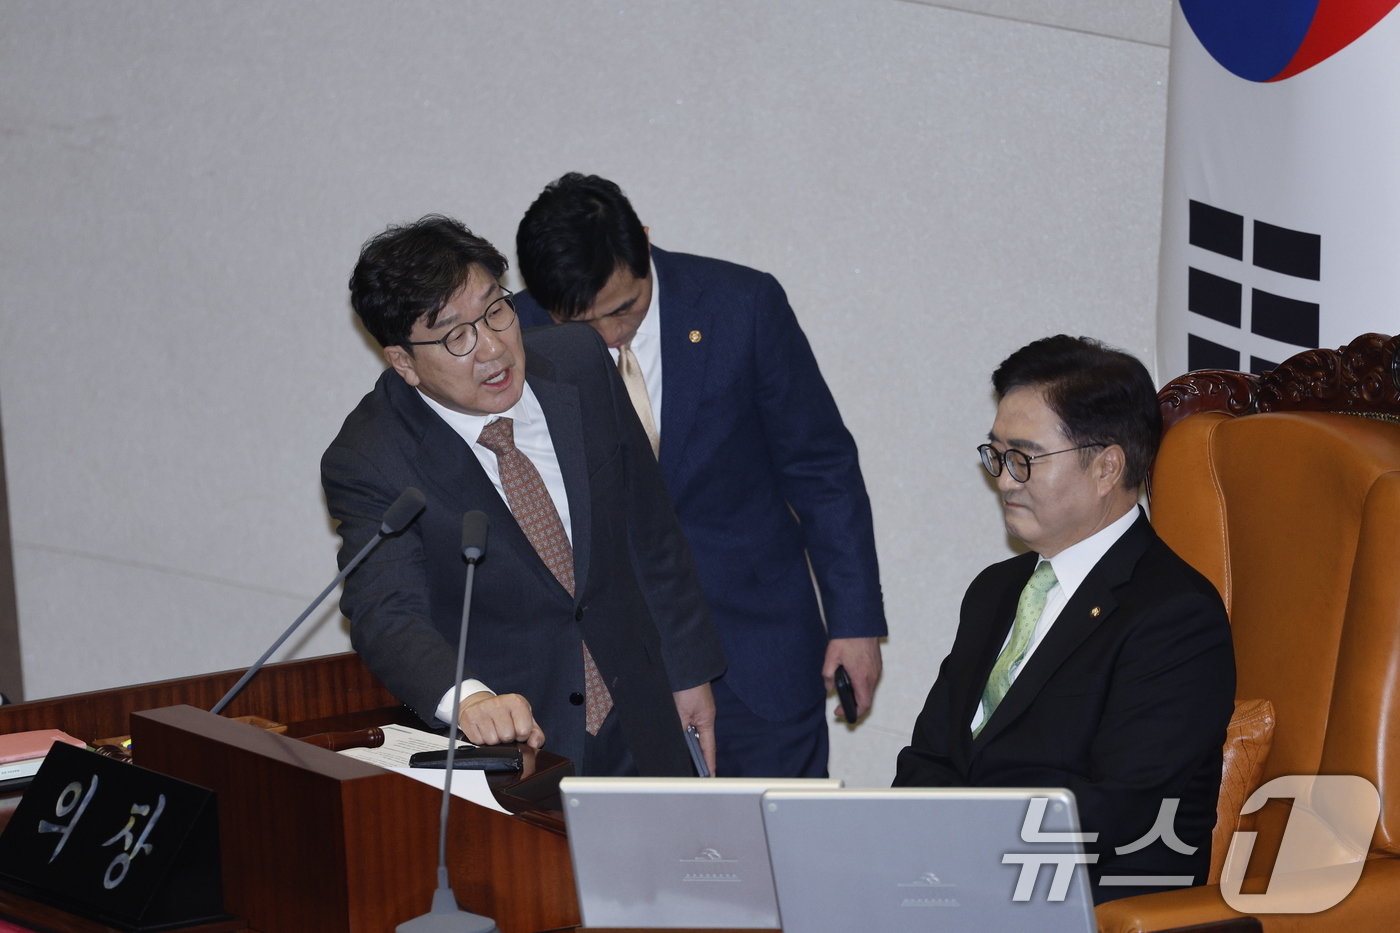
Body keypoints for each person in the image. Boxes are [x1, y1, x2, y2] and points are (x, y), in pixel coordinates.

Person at [321, 215, 724, 777]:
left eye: (495, 311)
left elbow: (648, 527)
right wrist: (467, 700)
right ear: (404, 362)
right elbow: (387, 611)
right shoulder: (372, 456)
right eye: (455, 335)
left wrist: (689, 670)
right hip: (519, 744)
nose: (492, 348)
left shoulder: (580, 361)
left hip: (643, 707)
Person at [513, 174, 886, 778]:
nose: (608, 338)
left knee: (778, 853)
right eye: (581, 327)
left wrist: (856, 621)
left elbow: (821, 467)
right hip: (605, 676)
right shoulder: (514, 335)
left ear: (645, 242)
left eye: (622, 311)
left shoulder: (742, 306)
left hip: (755, 652)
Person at [893, 335, 1234, 902]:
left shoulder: (1174, 615)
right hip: (960, 887)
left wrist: (957, 857)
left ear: (1106, 467)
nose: (1003, 479)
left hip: (1083, 902)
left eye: (1024, 458)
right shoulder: (994, 592)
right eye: (997, 455)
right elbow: (928, 759)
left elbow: (1123, 811)